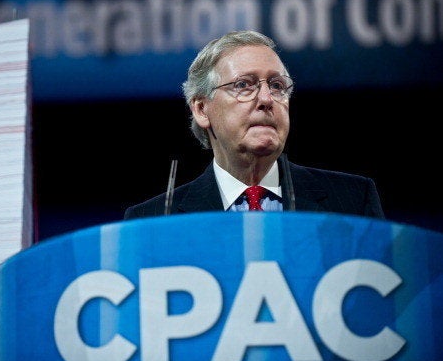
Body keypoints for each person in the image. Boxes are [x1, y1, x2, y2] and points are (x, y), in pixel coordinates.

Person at [124, 30, 384, 219]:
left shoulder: (352, 201)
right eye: (243, 85)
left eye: (277, 86)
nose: (266, 99)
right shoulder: (153, 220)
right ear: (202, 109)